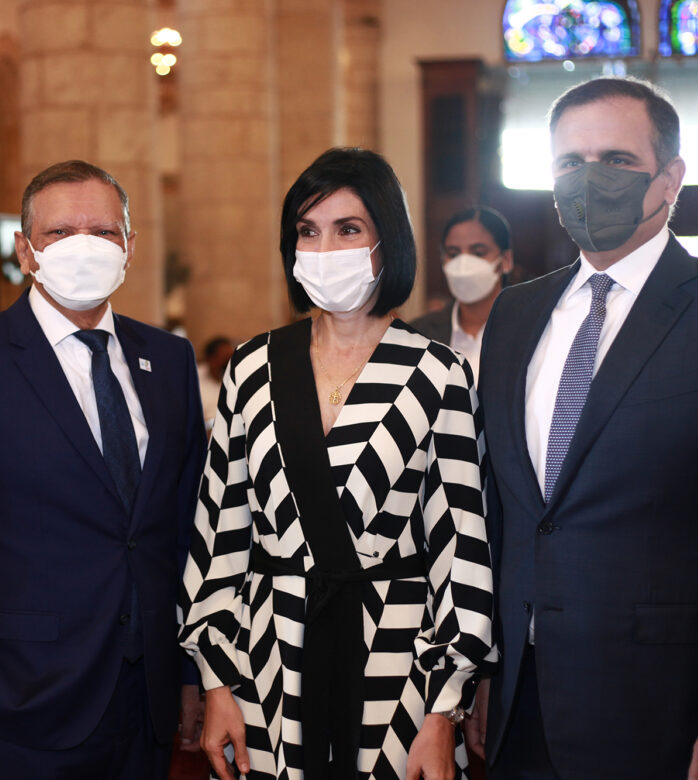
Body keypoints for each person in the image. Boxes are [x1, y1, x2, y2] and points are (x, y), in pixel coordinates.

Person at [474, 77, 698, 780]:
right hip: (520, 704)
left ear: (670, 179)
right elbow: (507, 514)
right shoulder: (515, 314)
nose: (589, 179)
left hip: (669, 711)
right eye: (570, 163)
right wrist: (482, 674)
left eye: (616, 160)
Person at [0, 160, 207, 778]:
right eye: (60, 232)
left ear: (130, 246)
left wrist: (191, 671)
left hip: (149, 698)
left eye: (103, 232)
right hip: (24, 699)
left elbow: (188, 532)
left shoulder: (169, 359)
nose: (84, 246)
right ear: (26, 251)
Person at [179, 147, 497, 780]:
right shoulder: (251, 368)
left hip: (400, 670)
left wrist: (443, 710)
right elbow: (220, 536)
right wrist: (216, 682)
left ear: (387, 242)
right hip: (266, 662)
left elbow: (462, 548)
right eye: (308, 230)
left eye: (348, 229)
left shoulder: (439, 374)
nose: (324, 249)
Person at [410, 206, 514, 385]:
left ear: (506, 260)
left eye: (478, 252)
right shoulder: (418, 334)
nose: (463, 263)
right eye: (453, 254)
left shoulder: (528, 329)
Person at [197, 335, 234, 432]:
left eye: (232, 359)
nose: (229, 365)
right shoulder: (195, 379)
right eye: (225, 359)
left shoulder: (237, 379)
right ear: (210, 359)